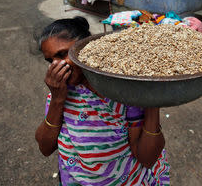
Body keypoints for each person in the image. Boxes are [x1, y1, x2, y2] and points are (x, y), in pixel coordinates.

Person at [35, 17, 170, 185]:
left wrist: (152, 97)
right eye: (50, 61)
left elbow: (147, 158)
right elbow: (45, 148)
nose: (57, 66)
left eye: (63, 54)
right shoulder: (60, 94)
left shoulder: (124, 91)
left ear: (85, 47)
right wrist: (56, 100)